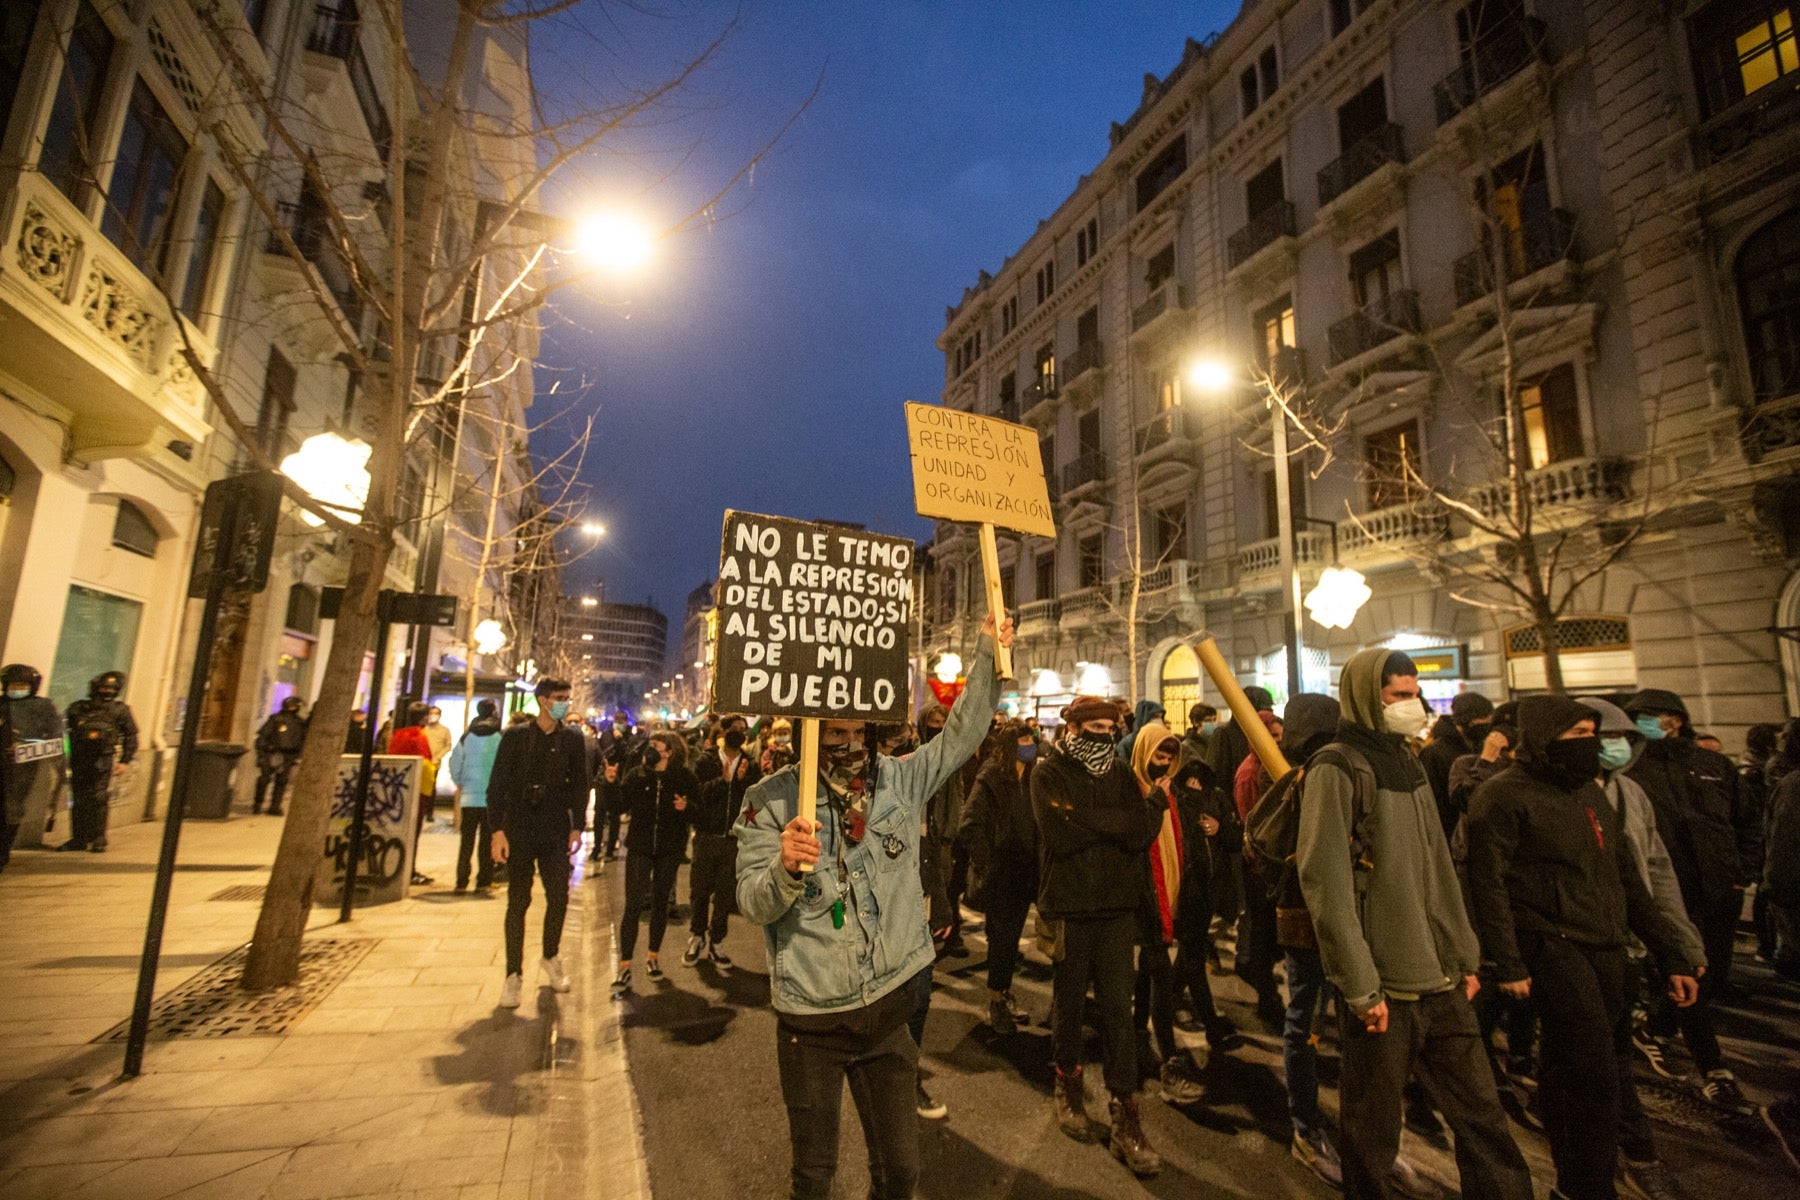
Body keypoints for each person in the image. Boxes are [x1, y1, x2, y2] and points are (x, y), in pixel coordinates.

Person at [734, 614, 1007, 1200]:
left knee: (901, 1173)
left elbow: (961, 735)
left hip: (889, 1011)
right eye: (833, 734)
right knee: (813, 1177)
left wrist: (988, 652)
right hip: (812, 1021)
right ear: (809, 733)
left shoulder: (899, 782)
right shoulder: (769, 802)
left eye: (858, 732)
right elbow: (752, 902)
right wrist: (783, 868)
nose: (847, 745)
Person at [1296, 648, 1531, 1200]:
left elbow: (1438, 868)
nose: (1412, 705)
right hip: (1382, 987)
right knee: (1372, 1133)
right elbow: (1325, 881)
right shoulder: (1337, 766)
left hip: (1444, 980)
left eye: (1413, 694)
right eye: (1398, 696)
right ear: (1365, 696)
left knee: (1483, 1121)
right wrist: (1358, 984)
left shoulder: (1409, 762)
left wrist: (1464, 956)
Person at [1465, 695, 1700, 1200]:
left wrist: (1671, 953)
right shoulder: (1502, 797)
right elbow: (1488, 886)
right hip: (1554, 946)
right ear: (1544, 736)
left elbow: (1627, 881)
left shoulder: (1589, 794)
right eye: (1576, 734)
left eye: (1592, 732)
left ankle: (1575, 1179)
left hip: (1606, 947)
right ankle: (1589, 1185)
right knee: (1590, 1073)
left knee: (1588, 1067)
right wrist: (1507, 962)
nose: (1589, 744)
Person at [1034, 693, 1167, 1178]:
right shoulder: (1047, 771)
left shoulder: (1119, 773)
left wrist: (1104, 823)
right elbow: (1060, 832)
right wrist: (1122, 824)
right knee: (1068, 1003)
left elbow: (1138, 834)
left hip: (1116, 909)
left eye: (1111, 725)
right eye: (1093, 725)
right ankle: (1066, 1084)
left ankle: (1124, 1111)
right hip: (1069, 906)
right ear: (1072, 727)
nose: (1103, 733)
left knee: (1119, 1009)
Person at [1584, 696, 1709, 1199]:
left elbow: (1654, 872)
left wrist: (1680, 942)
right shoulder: (1549, 793)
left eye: (1624, 739)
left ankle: (1609, 1146)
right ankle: (1630, 1150)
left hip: (1629, 944)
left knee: (1605, 1053)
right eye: (1604, 738)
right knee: (1599, 1055)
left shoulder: (1631, 794)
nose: (1616, 747)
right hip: (1579, 944)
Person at [1624, 688, 1749, 1109]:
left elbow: (1745, 822)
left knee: (1711, 973)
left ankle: (1656, 1025)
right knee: (1685, 972)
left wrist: (1740, 874)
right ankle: (1714, 1069)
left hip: (1718, 890)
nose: (1641, 723)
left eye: (1648, 716)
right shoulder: (1633, 769)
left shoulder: (1713, 766)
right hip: (1668, 892)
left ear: (1674, 719)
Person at [487, 679, 587, 1008]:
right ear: (543, 700)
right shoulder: (516, 736)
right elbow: (497, 783)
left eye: (567, 698)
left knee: (559, 895)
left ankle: (551, 955)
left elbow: (580, 786)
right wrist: (496, 830)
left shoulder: (572, 738)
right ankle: (513, 974)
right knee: (518, 900)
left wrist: (577, 827)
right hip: (519, 826)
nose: (564, 703)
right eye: (559, 698)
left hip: (555, 828)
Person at [1129, 721, 1204, 1105]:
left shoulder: (1171, 792)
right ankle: (1169, 1061)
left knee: (1149, 973)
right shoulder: (1131, 790)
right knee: (1160, 973)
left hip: (1168, 894)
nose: (1163, 762)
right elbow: (1137, 838)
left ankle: (1138, 1039)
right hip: (1143, 899)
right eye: (1158, 754)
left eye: (1169, 756)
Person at [959, 719, 1040, 1035]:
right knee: (1002, 941)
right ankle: (996, 1001)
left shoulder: (1032, 775)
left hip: (1025, 874)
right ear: (1010, 746)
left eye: (1032, 739)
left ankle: (1004, 992)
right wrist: (986, 862)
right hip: (1001, 875)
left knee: (1010, 939)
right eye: (1024, 741)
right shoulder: (992, 777)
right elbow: (969, 824)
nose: (1030, 745)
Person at [1164, 759, 1240, 1051]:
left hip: (1211, 891)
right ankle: (1212, 1026)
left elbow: (1235, 839)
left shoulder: (1218, 798)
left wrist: (1220, 828)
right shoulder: (1173, 801)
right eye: (1190, 781)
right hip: (1185, 892)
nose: (1196, 786)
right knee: (1193, 955)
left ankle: (1168, 999)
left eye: (1201, 782)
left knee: (1188, 953)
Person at [614, 730, 696, 991]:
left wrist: (687, 808)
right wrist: (609, 783)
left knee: (660, 903)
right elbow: (619, 807)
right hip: (639, 847)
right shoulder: (637, 774)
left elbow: (699, 810)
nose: (650, 749)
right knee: (633, 905)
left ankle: (653, 958)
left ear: (669, 751)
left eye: (655, 745)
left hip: (669, 849)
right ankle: (624, 965)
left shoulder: (683, 778)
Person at [685, 715, 760, 966]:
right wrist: (724, 782)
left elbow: (755, 799)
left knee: (725, 894)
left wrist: (741, 782)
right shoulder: (707, 760)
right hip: (706, 835)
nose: (739, 733)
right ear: (724, 731)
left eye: (743, 730)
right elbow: (696, 794)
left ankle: (717, 941)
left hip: (732, 840)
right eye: (734, 729)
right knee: (699, 891)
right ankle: (696, 936)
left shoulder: (749, 764)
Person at [1234, 710, 1286, 1029]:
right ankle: (1267, 998)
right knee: (1263, 933)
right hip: (1259, 866)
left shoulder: (1269, 767)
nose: (1279, 742)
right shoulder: (1249, 772)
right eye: (1274, 736)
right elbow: (1251, 819)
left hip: (1268, 864)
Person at [61, 671, 137, 853]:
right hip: (80, 758)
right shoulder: (78, 708)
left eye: (111, 689)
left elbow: (131, 736)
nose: (107, 692)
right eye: (104, 688)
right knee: (79, 799)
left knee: (99, 798)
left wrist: (125, 760)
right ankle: (79, 838)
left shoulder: (119, 710)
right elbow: (66, 730)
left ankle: (98, 837)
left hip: (103, 759)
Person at [2, 664, 62, 867]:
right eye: (13, 685)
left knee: (10, 811)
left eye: (22, 685)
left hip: (20, 770)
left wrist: (25, 748)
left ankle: (2, 852)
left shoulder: (43, 708)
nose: (17, 689)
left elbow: (55, 743)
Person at [447, 699, 503, 894]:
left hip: (469, 798)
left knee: (466, 841)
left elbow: (455, 762)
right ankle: (483, 882)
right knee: (487, 841)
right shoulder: (499, 736)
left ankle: (461, 881)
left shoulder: (467, 736)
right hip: (491, 798)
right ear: (494, 712)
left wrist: (461, 781)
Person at [1420, 691, 1494, 837]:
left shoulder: (1479, 746)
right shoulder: (1435, 753)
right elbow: (1432, 802)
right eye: (1483, 721)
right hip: (1450, 834)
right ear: (1468, 722)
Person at [387, 703, 438, 886]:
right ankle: (410, 871)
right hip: (417, 791)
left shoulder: (398, 734)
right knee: (413, 833)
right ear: (423, 717)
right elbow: (425, 765)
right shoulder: (419, 736)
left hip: (397, 789)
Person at [591, 713, 637, 863]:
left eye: (622, 721)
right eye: (618, 721)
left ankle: (610, 848)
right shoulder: (606, 734)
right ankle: (596, 848)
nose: (620, 724)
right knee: (599, 814)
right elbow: (604, 753)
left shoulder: (629, 735)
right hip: (603, 780)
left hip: (619, 781)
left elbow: (629, 754)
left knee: (614, 814)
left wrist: (621, 740)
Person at [252, 696, 307, 817]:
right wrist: (265, 749)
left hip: (288, 755)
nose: (293, 708)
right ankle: (257, 804)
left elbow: (301, 740)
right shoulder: (276, 720)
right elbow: (263, 736)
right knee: (264, 779)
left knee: (282, 781)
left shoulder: (299, 723)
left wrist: (297, 755)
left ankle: (275, 806)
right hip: (271, 753)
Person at [1179, 703, 1218, 768]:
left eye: (1214, 720)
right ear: (1195, 722)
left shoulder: (1215, 742)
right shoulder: (1187, 746)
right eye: (1208, 720)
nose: (1213, 724)